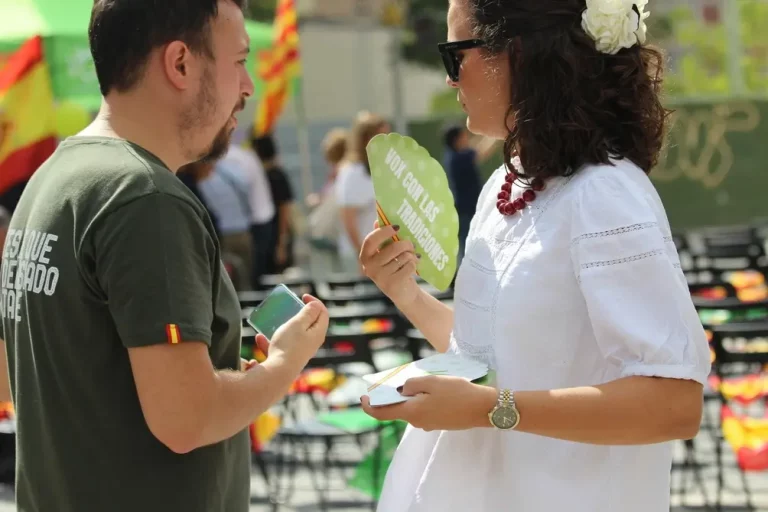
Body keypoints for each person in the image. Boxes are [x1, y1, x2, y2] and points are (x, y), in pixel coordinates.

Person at [358, 0, 710, 511]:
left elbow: (673, 403)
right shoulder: (508, 182)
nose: (451, 81)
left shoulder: (604, 195)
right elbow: (492, 357)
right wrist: (405, 292)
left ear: (518, 56)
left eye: (455, 55)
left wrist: (491, 409)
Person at [0, 1, 330, 511]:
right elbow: (186, 419)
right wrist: (285, 364)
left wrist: (220, 374)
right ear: (180, 64)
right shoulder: (145, 199)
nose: (248, 87)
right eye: (240, 61)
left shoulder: (52, 179)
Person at [335, 112, 390, 273]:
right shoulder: (353, 172)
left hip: (380, 254)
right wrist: (362, 255)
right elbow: (348, 219)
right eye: (381, 136)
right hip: (361, 256)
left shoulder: (381, 169)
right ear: (366, 139)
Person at [220, 139, 276, 288]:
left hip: (248, 224)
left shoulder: (228, 159)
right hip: (258, 220)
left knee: (245, 275)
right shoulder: (246, 156)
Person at [442, 124, 497, 264]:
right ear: (457, 139)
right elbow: (482, 151)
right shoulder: (460, 157)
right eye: (464, 136)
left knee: (467, 245)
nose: (468, 138)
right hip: (467, 209)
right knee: (468, 246)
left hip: (464, 208)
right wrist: (498, 134)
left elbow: (474, 146)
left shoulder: (453, 155)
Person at [251, 133, 295, 274]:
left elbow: (284, 209)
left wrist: (281, 244)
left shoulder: (274, 175)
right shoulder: (267, 173)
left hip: (277, 236)